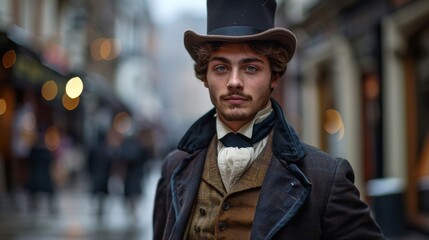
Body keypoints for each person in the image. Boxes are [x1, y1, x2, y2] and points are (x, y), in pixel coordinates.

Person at [153, 0, 385, 239]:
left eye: (251, 68)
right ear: (204, 76)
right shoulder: (175, 168)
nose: (234, 82)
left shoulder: (325, 179)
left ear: (274, 76)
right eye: (221, 68)